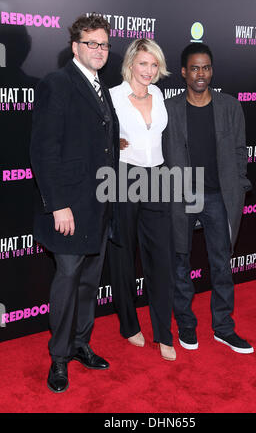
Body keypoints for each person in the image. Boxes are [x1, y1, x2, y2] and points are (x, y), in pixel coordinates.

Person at [30, 13, 120, 393]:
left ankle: (81, 343)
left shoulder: (103, 86)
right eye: (91, 43)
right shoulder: (58, 83)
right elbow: (43, 149)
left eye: (104, 44)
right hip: (69, 208)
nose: (99, 50)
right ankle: (59, 357)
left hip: (100, 205)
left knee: (88, 282)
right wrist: (58, 205)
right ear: (75, 47)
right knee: (67, 282)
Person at [163, 43, 254, 354]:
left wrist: (238, 184)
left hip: (218, 196)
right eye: (194, 68)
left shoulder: (230, 107)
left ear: (211, 71)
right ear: (184, 72)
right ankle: (186, 324)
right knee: (179, 262)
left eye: (206, 68)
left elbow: (240, 151)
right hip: (181, 196)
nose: (200, 74)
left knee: (221, 265)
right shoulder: (170, 108)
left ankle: (223, 328)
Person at [108, 39, 176, 361]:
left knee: (160, 256)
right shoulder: (113, 97)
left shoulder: (159, 95)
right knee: (123, 254)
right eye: (143, 64)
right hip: (123, 176)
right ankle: (129, 324)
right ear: (131, 64)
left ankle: (164, 332)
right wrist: (112, 144)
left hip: (158, 176)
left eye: (154, 65)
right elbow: (97, 135)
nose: (149, 71)